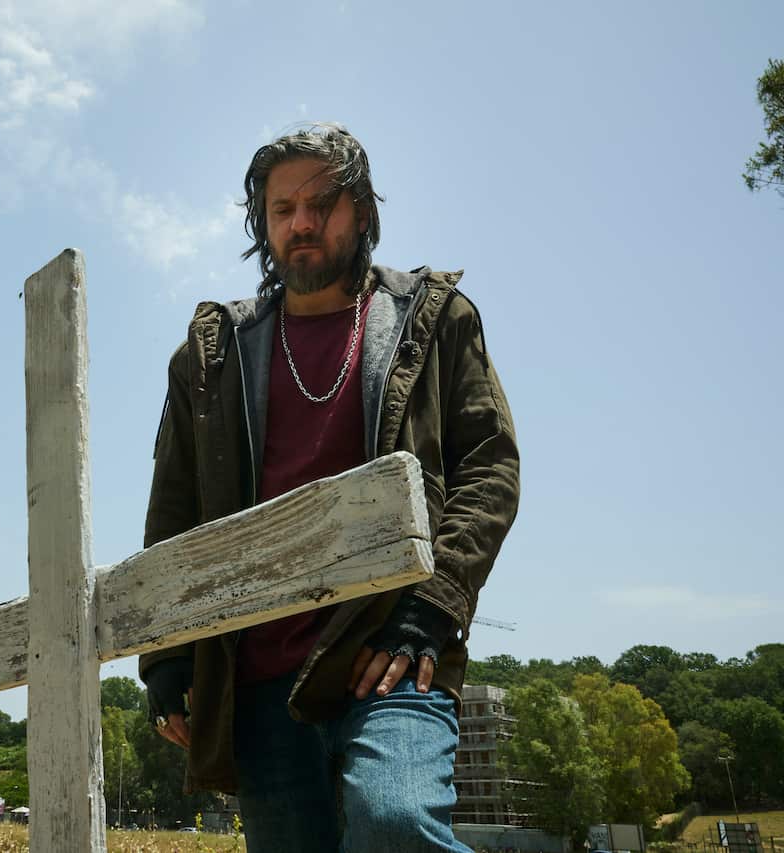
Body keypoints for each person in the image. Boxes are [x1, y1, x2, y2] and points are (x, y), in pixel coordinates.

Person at [139, 124, 520, 853]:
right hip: (258, 678)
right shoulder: (212, 357)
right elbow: (174, 510)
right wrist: (165, 656)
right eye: (283, 209)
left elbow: (490, 467)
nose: (303, 223)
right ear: (263, 225)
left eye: (323, 204)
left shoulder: (432, 318)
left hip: (394, 653)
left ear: (363, 211)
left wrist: (433, 607)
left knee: (394, 822)